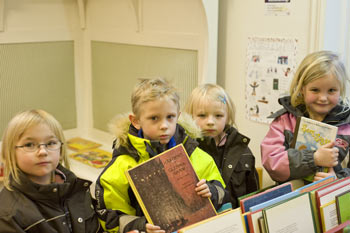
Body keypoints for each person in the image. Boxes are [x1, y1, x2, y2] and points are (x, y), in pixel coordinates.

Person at [95, 78, 229, 233]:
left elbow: (223, 193)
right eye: (154, 118)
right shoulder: (123, 164)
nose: (164, 125)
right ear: (136, 121)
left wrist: (211, 192)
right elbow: (108, 215)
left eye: (170, 117)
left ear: (178, 116)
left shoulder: (197, 156)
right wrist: (140, 226)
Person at [0, 109, 102, 232]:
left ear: (60, 151)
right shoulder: (8, 214)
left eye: (51, 143)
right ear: (10, 153)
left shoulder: (74, 186)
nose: (43, 151)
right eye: (29, 145)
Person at [261, 50, 350, 184]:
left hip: (333, 201)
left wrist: (338, 181)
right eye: (315, 90)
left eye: (331, 90)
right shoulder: (285, 121)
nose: (323, 98)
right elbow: (272, 162)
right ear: (302, 88)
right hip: (292, 200)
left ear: (341, 89)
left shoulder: (347, 125)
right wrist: (313, 158)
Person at [184, 83, 259, 208]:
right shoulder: (187, 149)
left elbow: (253, 196)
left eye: (218, 115)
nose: (210, 122)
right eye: (202, 115)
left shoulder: (242, 150)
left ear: (227, 117)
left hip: (236, 220)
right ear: (191, 116)